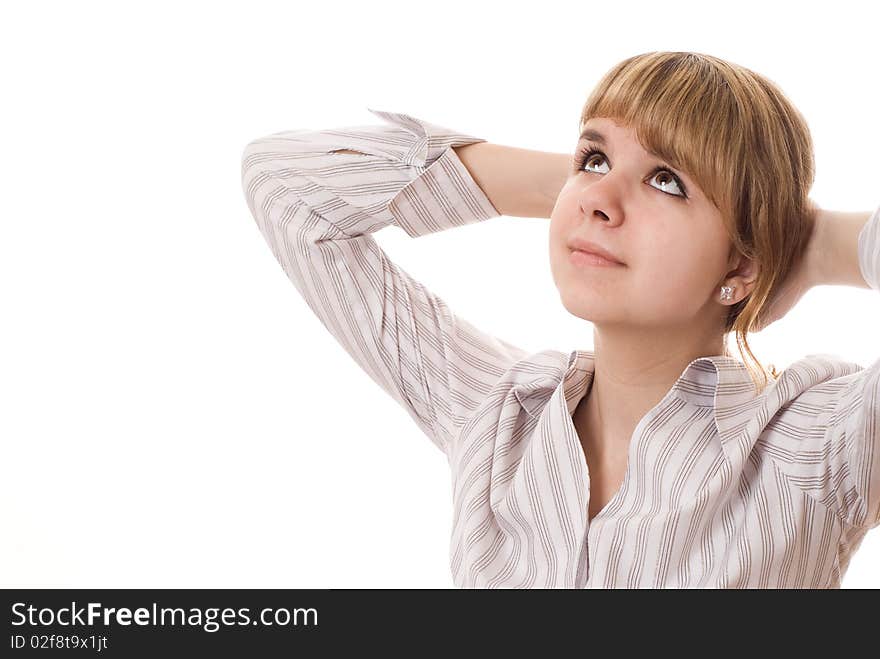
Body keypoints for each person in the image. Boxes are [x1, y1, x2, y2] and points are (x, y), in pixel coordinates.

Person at [240, 51, 879, 588]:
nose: (600, 198)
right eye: (593, 156)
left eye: (669, 181)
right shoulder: (501, 415)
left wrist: (815, 244)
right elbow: (287, 187)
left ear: (742, 264)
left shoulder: (815, 447)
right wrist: (574, 187)